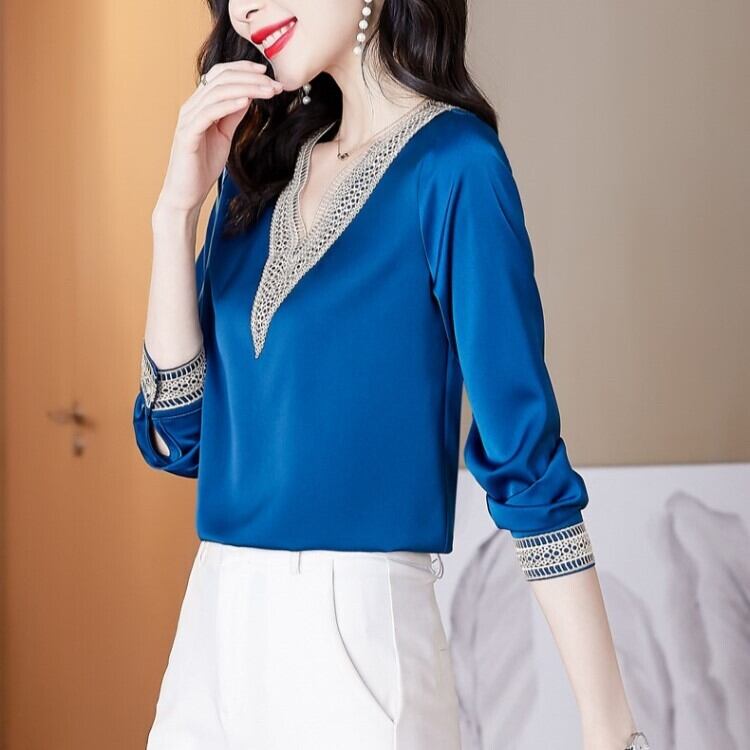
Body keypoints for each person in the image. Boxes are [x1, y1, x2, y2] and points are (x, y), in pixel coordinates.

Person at [132, 1, 651, 749]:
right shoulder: (254, 177)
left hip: (357, 645)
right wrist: (174, 214)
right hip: (213, 630)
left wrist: (609, 727)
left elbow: (525, 462)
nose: (246, 7)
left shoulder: (455, 166)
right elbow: (179, 439)